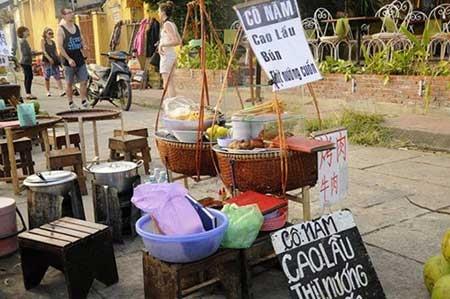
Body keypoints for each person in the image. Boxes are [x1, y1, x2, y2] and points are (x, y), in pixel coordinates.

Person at [56, 7, 89, 110]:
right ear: (64, 16)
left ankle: (84, 101)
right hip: (68, 60)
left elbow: (81, 39)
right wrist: (68, 59)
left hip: (79, 57)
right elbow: (60, 47)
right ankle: (71, 103)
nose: (71, 14)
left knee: (84, 80)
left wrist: (84, 46)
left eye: (72, 12)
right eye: (69, 13)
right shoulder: (61, 29)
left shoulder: (76, 26)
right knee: (69, 83)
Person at [158, 1, 182, 98]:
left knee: (167, 82)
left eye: (159, 11)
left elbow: (176, 41)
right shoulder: (171, 23)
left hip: (167, 56)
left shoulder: (167, 24)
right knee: (170, 82)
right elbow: (179, 40)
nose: (158, 13)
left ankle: (171, 104)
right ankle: (172, 104)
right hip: (170, 55)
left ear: (163, 12)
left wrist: (162, 44)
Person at [41, 27, 65, 97]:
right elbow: (43, 51)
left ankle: (61, 90)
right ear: (45, 34)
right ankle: (48, 91)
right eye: (49, 33)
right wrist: (49, 58)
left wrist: (59, 59)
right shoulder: (43, 41)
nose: (51, 35)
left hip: (54, 60)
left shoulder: (53, 42)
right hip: (46, 61)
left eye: (52, 33)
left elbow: (55, 51)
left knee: (57, 75)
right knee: (47, 76)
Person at [17, 26, 37, 99]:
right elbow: (26, 52)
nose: (28, 32)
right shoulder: (23, 41)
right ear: (23, 33)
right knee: (29, 76)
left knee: (27, 77)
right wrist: (33, 53)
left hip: (25, 61)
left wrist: (32, 52)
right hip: (25, 61)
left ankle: (28, 93)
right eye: (27, 31)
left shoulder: (23, 41)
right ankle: (28, 93)